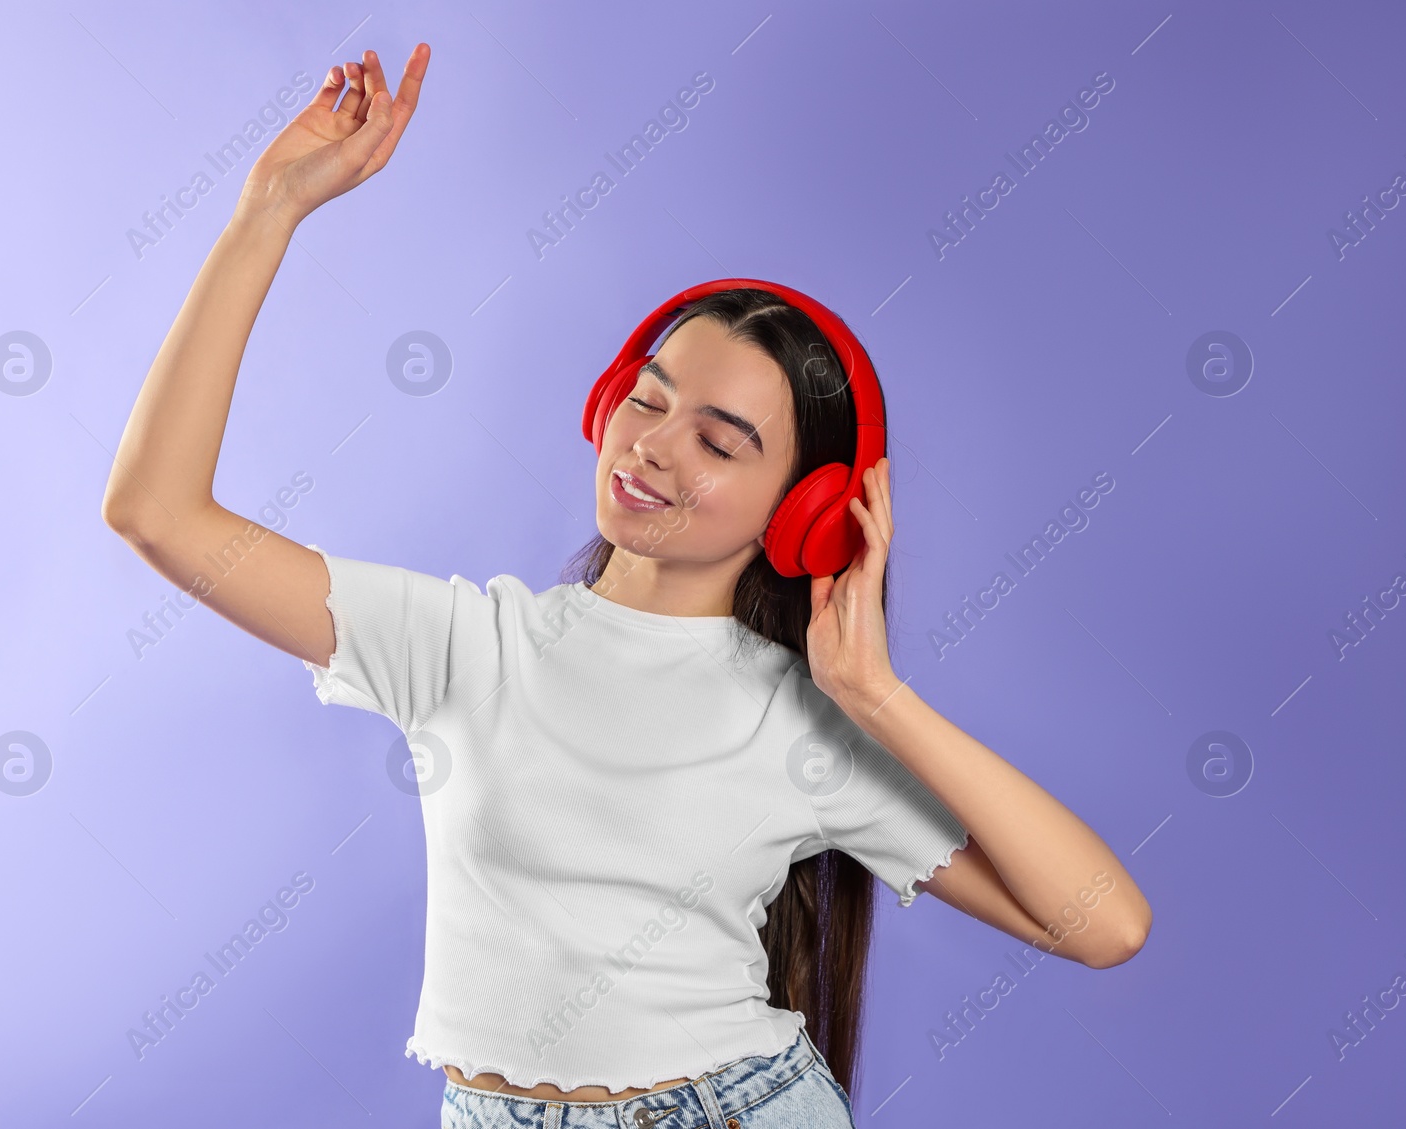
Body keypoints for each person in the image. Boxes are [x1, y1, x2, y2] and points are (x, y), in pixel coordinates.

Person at [101, 43, 1153, 1129]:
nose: (652, 447)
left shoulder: (807, 723)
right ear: (604, 403)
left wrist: (877, 696)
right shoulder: (464, 643)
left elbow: (1103, 922)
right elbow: (158, 514)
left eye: (721, 440)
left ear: (800, 509)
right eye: (646, 400)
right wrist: (265, 212)